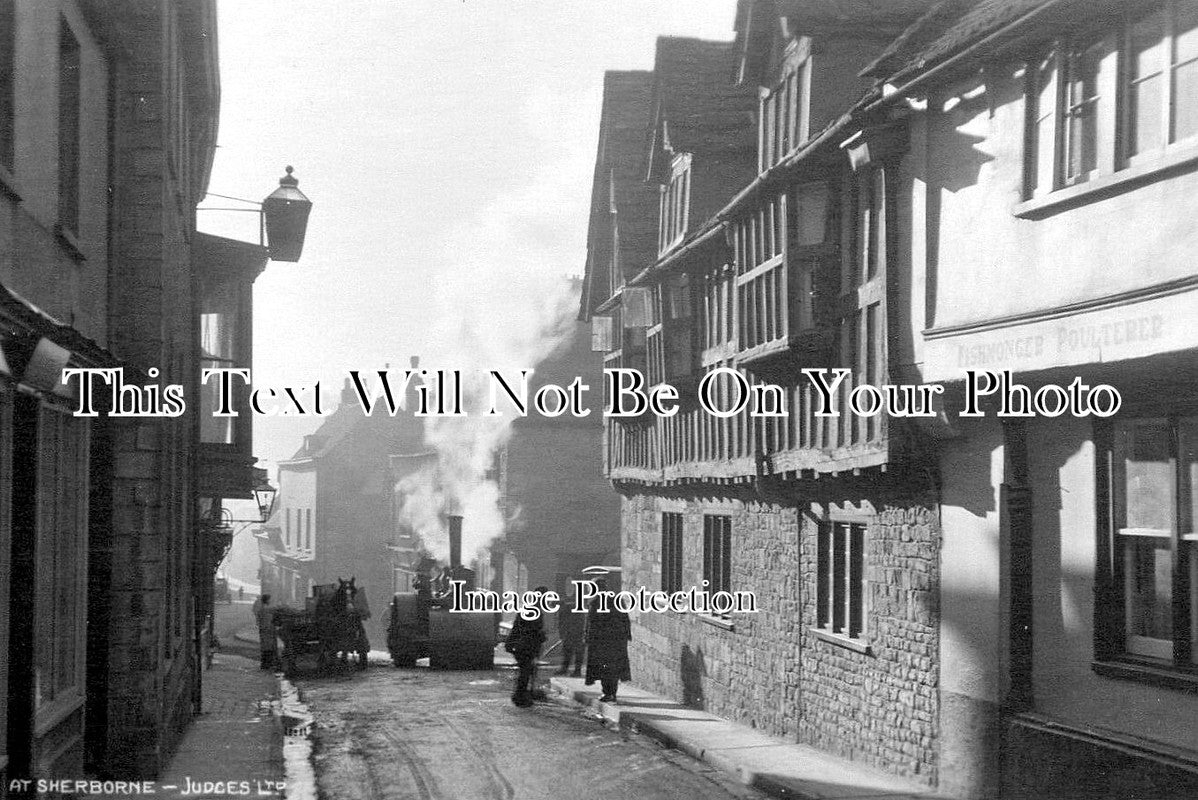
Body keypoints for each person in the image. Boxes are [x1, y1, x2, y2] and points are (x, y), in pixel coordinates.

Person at [584, 579, 631, 703]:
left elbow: (591, 623)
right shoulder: (617, 600)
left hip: (602, 643)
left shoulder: (595, 603)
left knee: (605, 669)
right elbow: (625, 619)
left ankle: (608, 693)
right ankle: (612, 693)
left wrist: (588, 638)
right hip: (616, 642)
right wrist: (626, 636)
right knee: (612, 669)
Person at [505, 587, 548, 707]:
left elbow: (519, 627)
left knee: (527, 671)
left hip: (522, 645)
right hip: (525, 646)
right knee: (525, 671)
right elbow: (531, 630)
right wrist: (542, 636)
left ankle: (523, 694)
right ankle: (519, 697)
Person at [555, 584, 586, 677]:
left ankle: (577, 670)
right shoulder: (565, 608)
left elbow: (575, 621)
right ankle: (566, 669)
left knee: (577, 652)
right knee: (567, 651)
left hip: (577, 633)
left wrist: (566, 632)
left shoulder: (570, 609)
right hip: (570, 633)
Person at [252, 594, 278, 670]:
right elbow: (269, 622)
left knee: (265, 648)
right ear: (267, 600)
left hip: (264, 631)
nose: (270, 601)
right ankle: (268, 665)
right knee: (269, 648)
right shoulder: (268, 610)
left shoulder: (261, 610)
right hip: (268, 631)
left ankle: (265, 664)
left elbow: (259, 621)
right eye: (269, 599)